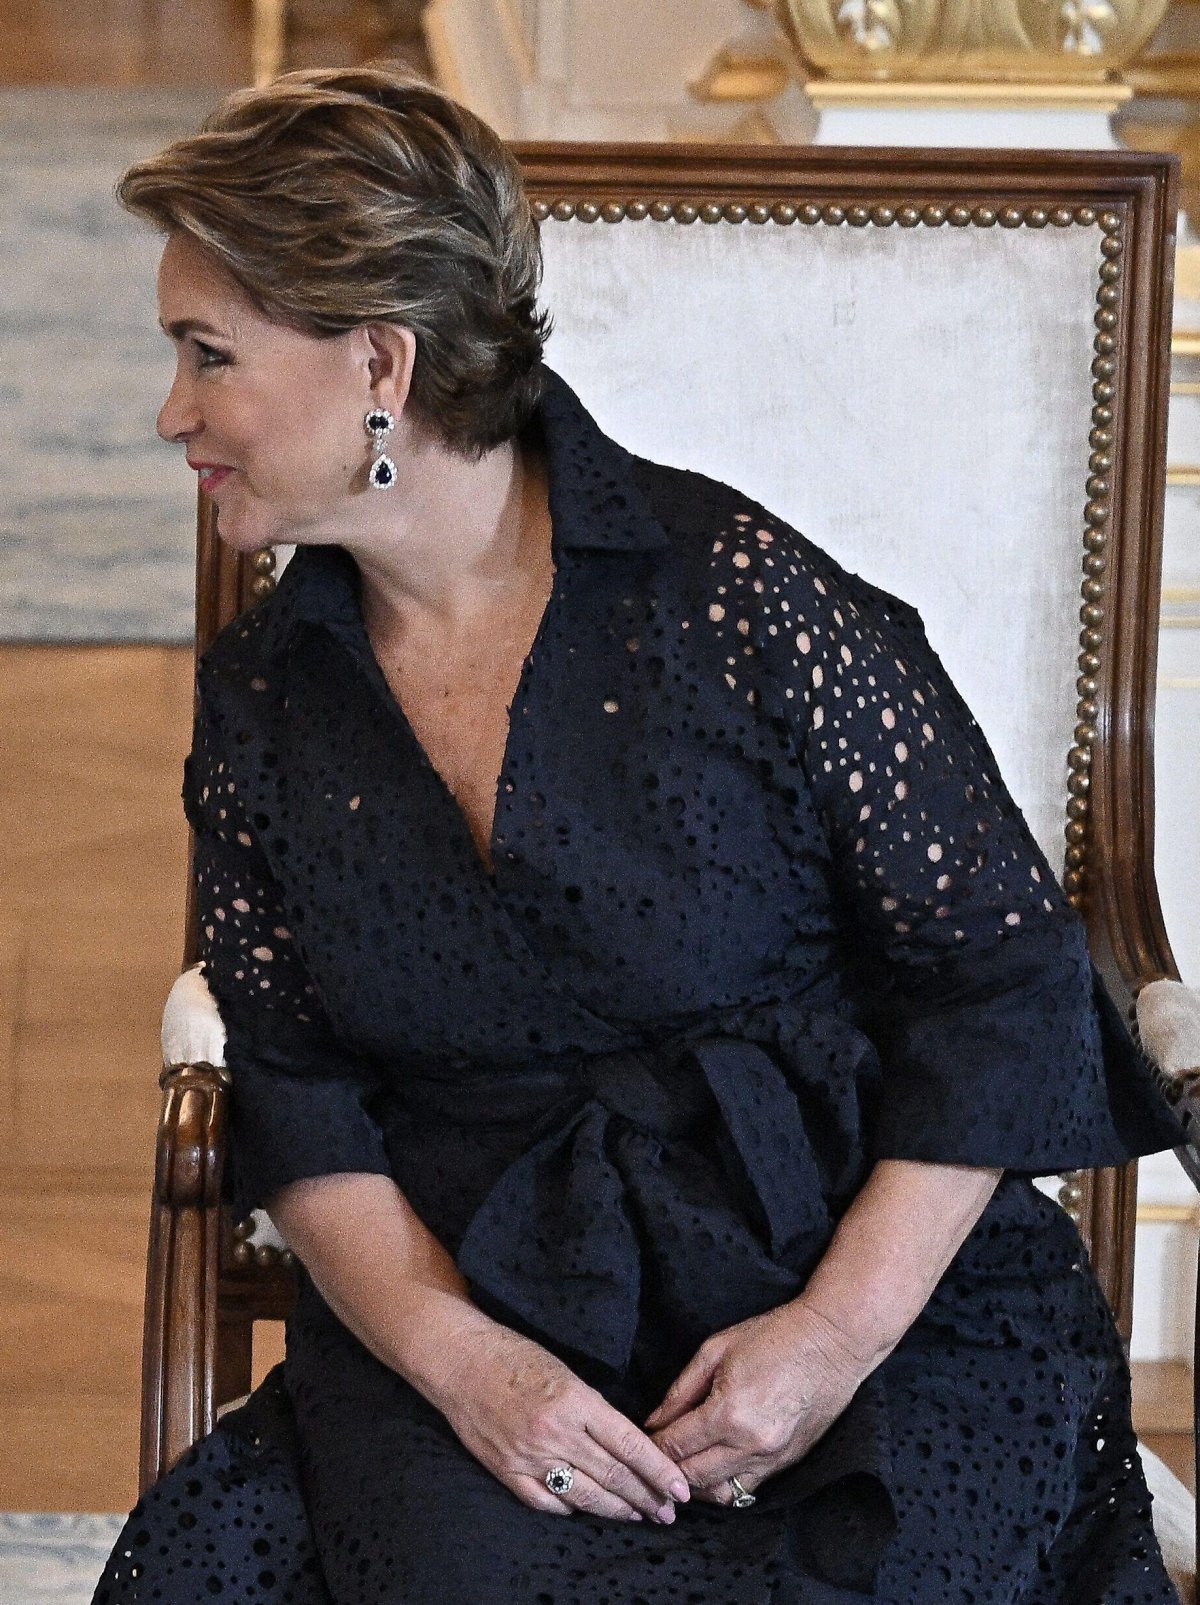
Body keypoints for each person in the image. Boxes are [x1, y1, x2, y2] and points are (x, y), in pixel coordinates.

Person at [93, 63, 1188, 1605]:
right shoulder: (267, 705)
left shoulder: (742, 605)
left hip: (853, 1318)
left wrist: (825, 1342)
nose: (173, 412)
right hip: (482, 1327)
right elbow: (301, 1093)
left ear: (381, 365)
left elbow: (1002, 988)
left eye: (210, 356)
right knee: (220, 1566)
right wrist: (468, 1366)